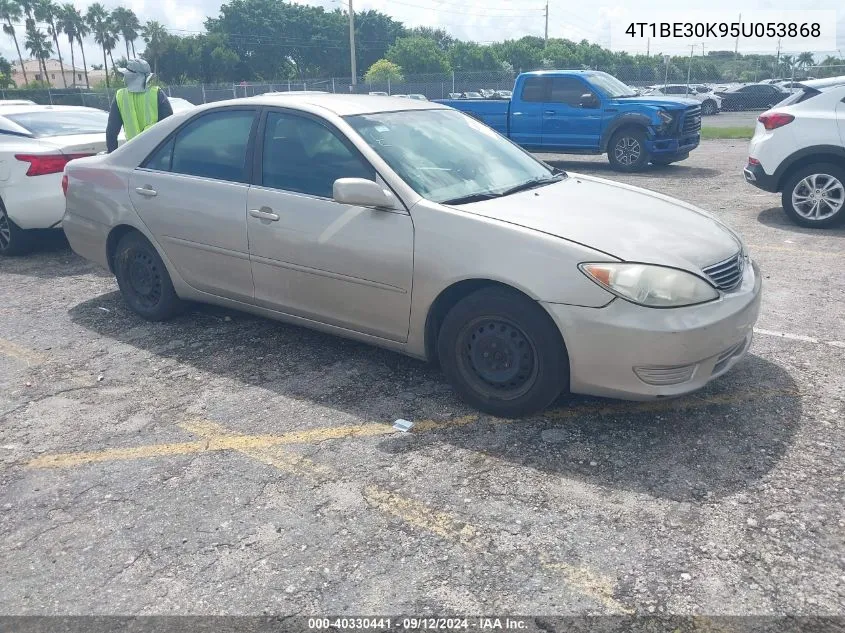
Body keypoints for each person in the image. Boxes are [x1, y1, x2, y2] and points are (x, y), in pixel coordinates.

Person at [106, 59, 173, 153]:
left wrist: (111, 157)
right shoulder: (157, 93)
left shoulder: (120, 96)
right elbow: (170, 125)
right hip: (157, 153)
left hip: (133, 154)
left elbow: (111, 132)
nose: (123, 78)